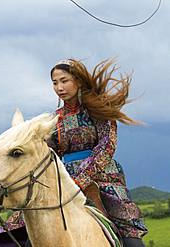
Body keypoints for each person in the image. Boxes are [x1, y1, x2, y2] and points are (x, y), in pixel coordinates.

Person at [48, 58, 148, 247]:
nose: (59, 87)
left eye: (64, 80)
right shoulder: (54, 119)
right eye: (55, 83)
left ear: (78, 81)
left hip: (102, 177)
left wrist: (82, 178)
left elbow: (107, 146)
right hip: (64, 178)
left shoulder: (98, 109)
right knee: (27, 225)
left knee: (128, 230)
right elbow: (49, 151)